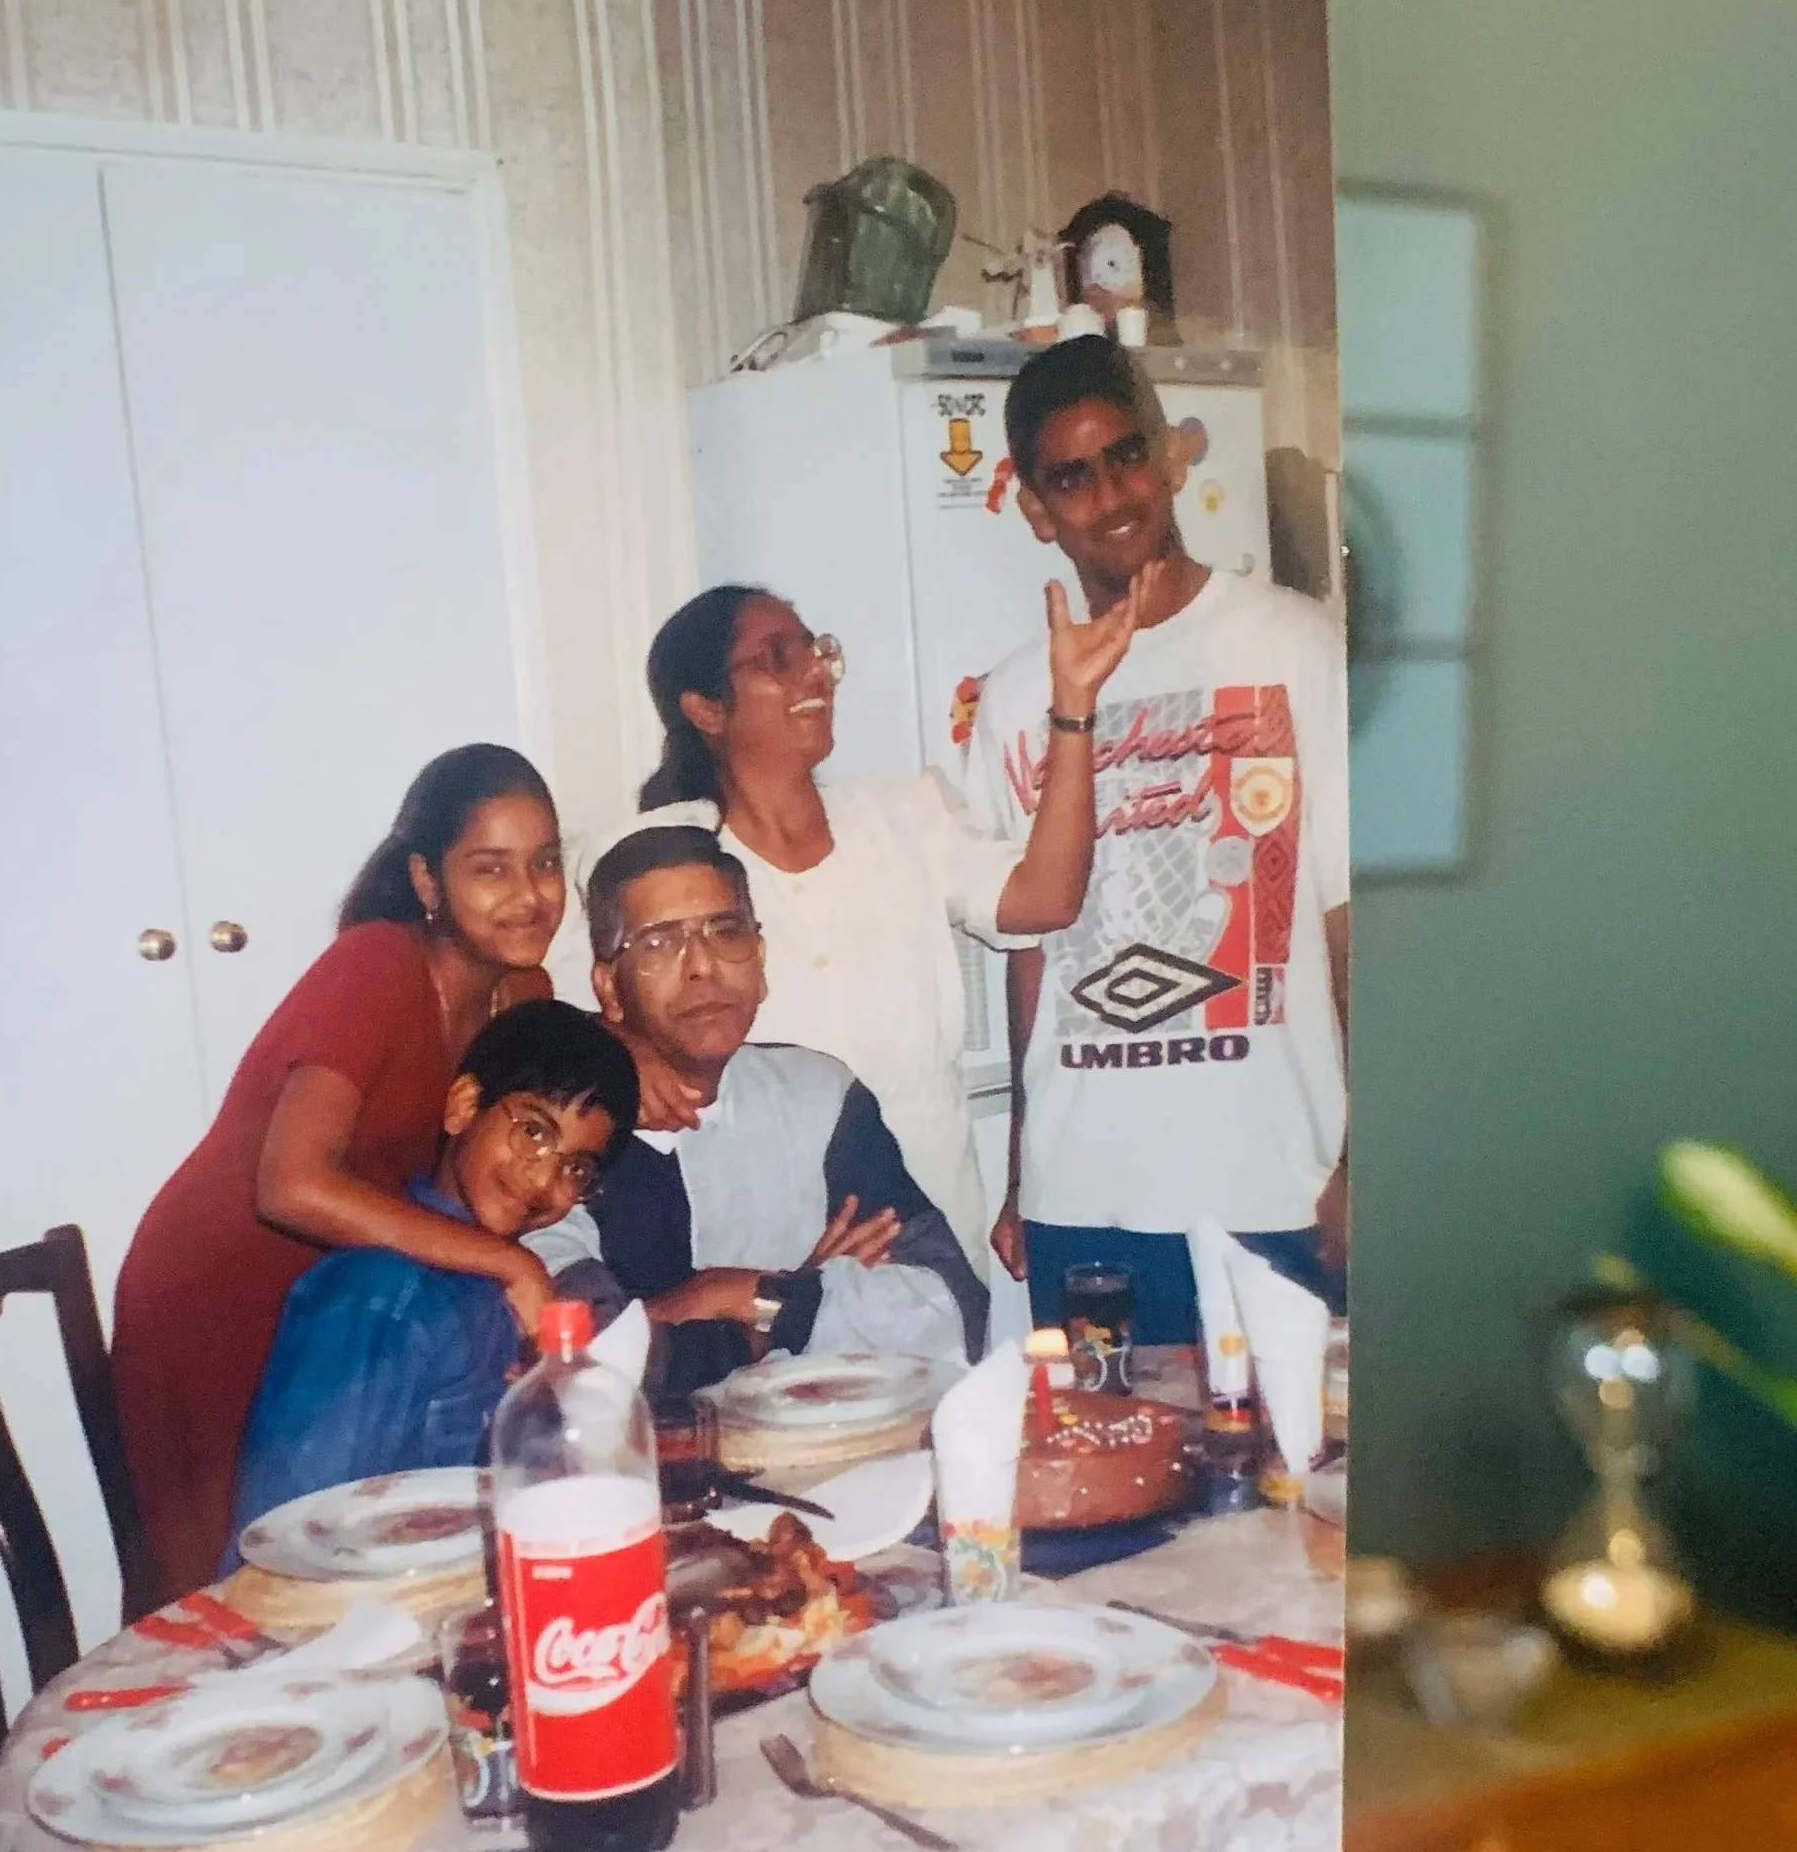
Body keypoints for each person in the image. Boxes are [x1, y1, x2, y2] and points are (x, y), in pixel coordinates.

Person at [546, 579, 1136, 1289]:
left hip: (931, 1252)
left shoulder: (905, 816)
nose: (815, 673)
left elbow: (1048, 898)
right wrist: (616, 1048)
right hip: (762, 1260)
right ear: (705, 709)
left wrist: (1073, 708)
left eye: (816, 651)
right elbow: (536, 1004)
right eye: (777, 658)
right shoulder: (654, 859)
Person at [955, 334, 1350, 1344]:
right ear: (1036, 510)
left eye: (1126, 455)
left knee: (1293, 1447)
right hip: (1084, 1197)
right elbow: (1029, 951)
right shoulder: (1015, 698)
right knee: (1105, 1445)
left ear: (1170, 457)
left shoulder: (1294, 644)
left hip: (1274, 1183)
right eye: (1071, 477)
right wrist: (1021, 1173)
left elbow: (1351, 917)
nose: (1111, 495)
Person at [113, 743, 573, 1597]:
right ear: (428, 880)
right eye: (491, 868)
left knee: (344, 1570)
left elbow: (544, 1127)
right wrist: (507, 1264)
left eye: (546, 862)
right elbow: (290, 1186)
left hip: (343, 1305)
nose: (529, 893)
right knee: (236, 1596)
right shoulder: (378, 964)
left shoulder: (524, 995)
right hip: (213, 1296)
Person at [530, 825, 988, 1402]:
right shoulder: (565, 1132)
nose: (702, 966)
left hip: (824, 1443)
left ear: (761, 959)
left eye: (725, 932)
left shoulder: (818, 1097)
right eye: (660, 943)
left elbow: (956, 1311)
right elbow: (585, 1359)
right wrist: (791, 1304)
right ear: (609, 990)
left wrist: (758, 1297)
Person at [220, 1000, 639, 1564]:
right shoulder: (383, 1296)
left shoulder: (508, 1297)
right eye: (534, 1132)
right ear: (464, 1107)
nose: (544, 1179)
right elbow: (291, 1542)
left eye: (577, 1169)